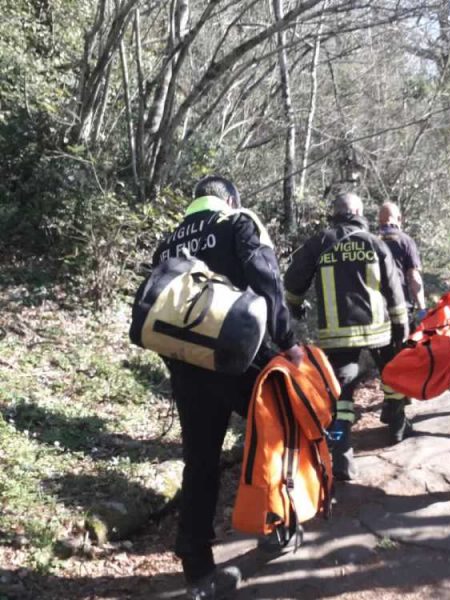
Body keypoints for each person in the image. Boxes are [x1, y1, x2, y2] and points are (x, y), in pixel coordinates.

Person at [152, 175, 303, 600]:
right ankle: (276, 524)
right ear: (231, 197)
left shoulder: (169, 242)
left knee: (199, 461)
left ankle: (195, 561)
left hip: (188, 366)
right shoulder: (239, 221)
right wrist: (288, 342)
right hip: (240, 360)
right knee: (276, 433)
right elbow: (268, 281)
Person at [283, 193, 410, 481]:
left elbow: (292, 283)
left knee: (340, 398)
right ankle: (398, 426)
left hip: (337, 336)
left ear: (335, 213)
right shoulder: (375, 243)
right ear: (359, 212)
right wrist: (401, 324)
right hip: (378, 331)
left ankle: (341, 455)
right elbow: (393, 285)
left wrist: (294, 305)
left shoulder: (320, 243)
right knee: (392, 376)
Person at [378, 201, 427, 323]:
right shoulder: (406, 241)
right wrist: (422, 309)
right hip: (401, 306)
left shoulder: (370, 241)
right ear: (399, 218)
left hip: (377, 309)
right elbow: (413, 276)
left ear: (379, 221)